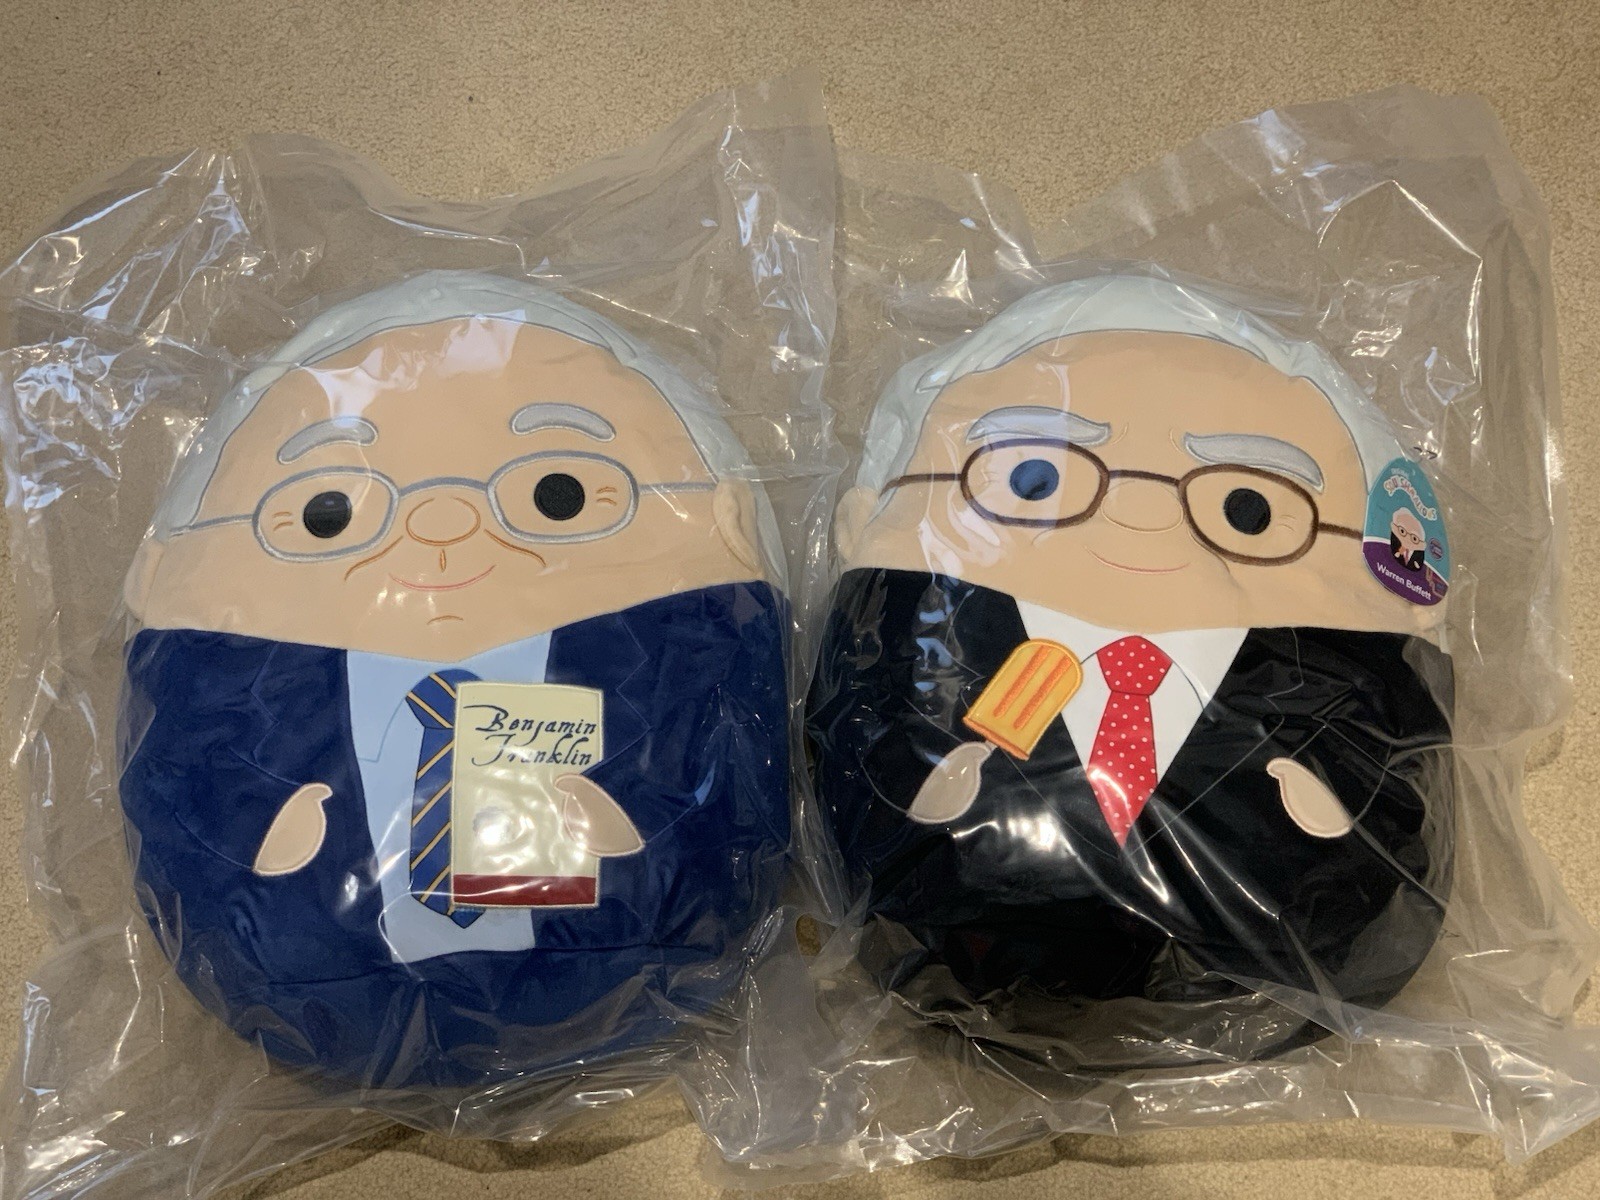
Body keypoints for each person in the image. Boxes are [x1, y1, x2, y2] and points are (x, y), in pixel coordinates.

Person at [119, 272, 789, 1087]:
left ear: (728, 525)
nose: (441, 524)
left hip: (635, 976)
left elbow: (717, 811)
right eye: (328, 512)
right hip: (304, 996)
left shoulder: (660, 657)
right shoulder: (240, 694)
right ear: (160, 574)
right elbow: (190, 816)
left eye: (558, 494)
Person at [808, 274, 1454, 1068]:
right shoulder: (935, 639)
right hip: (950, 965)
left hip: (1296, 983)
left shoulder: (1336, 683)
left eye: (1247, 505)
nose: (1142, 513)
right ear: (862, 527)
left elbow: (1380, 863)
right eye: (1035, 479)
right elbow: (872, 788)